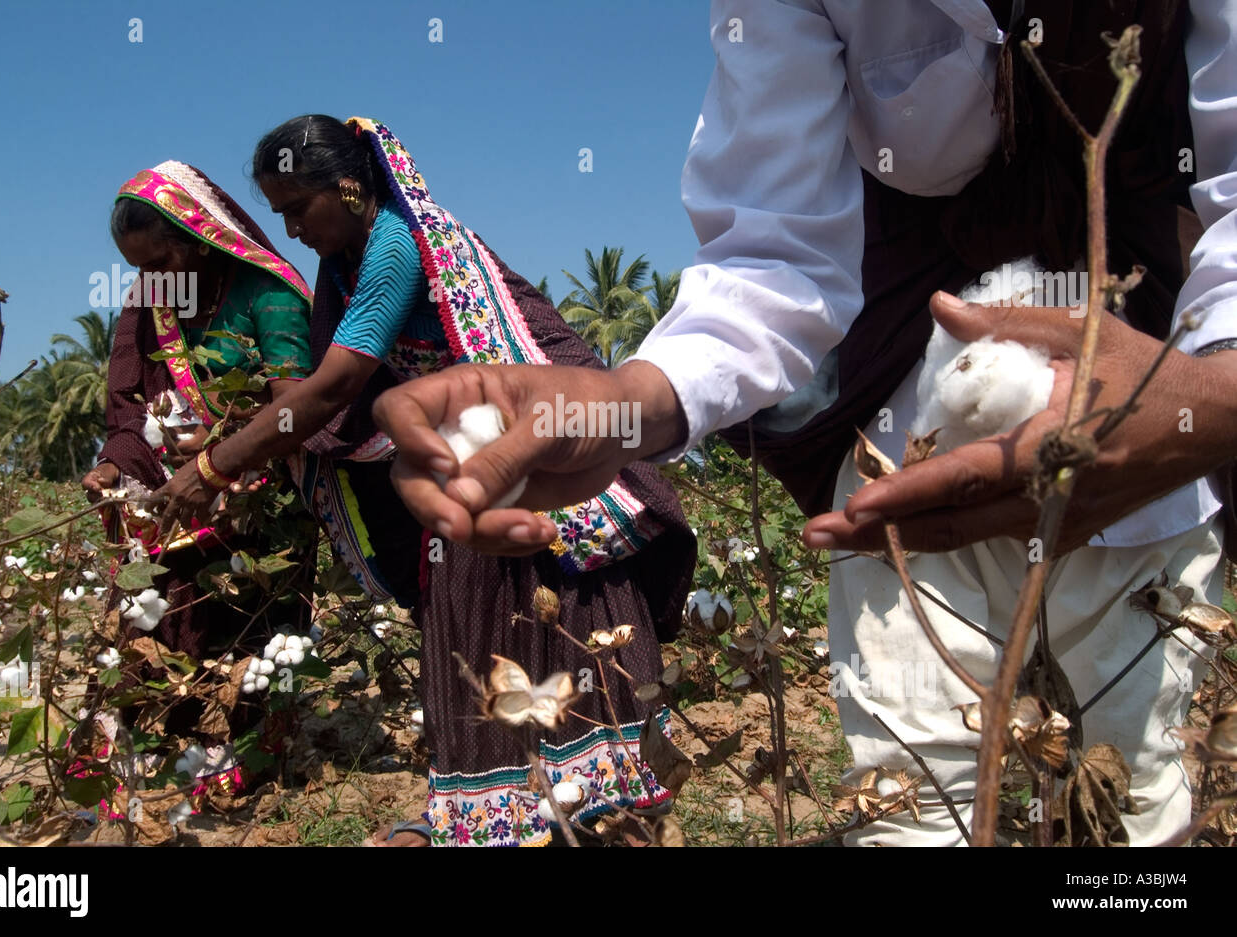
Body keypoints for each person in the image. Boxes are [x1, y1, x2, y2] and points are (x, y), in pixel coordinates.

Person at [368, 0, 1237, 845]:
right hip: (905, 444)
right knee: (912, 800)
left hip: (1146, 424)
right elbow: (775, 252)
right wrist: (634, 400)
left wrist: (1198, 408)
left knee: (1128, 789)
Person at [157, 116, 696, 846]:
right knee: (481, 630)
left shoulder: (394, 250)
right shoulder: (348, 262)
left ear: (347, 186)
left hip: (524, 451)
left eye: (296, 209)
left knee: (555, 621)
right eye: (278, 214)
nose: (289, 231)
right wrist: (237, 436)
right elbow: (326, 393)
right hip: (467, 457)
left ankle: (595, 802)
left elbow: (333, 387)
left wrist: (216, 466)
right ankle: (492, 808)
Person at [81, 161, 317, 727]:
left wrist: (220, 455)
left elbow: (297, 409)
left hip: (261, 487)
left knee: (258, 619)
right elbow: (129, 408)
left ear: (202, 239)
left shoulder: (268, 294)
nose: (152, 278)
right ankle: (170, 722)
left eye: (161, 261)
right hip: (173, 491)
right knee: (155, 595)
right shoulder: (149, 303)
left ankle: (253, 739)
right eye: (139, 268)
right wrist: (115, 464)